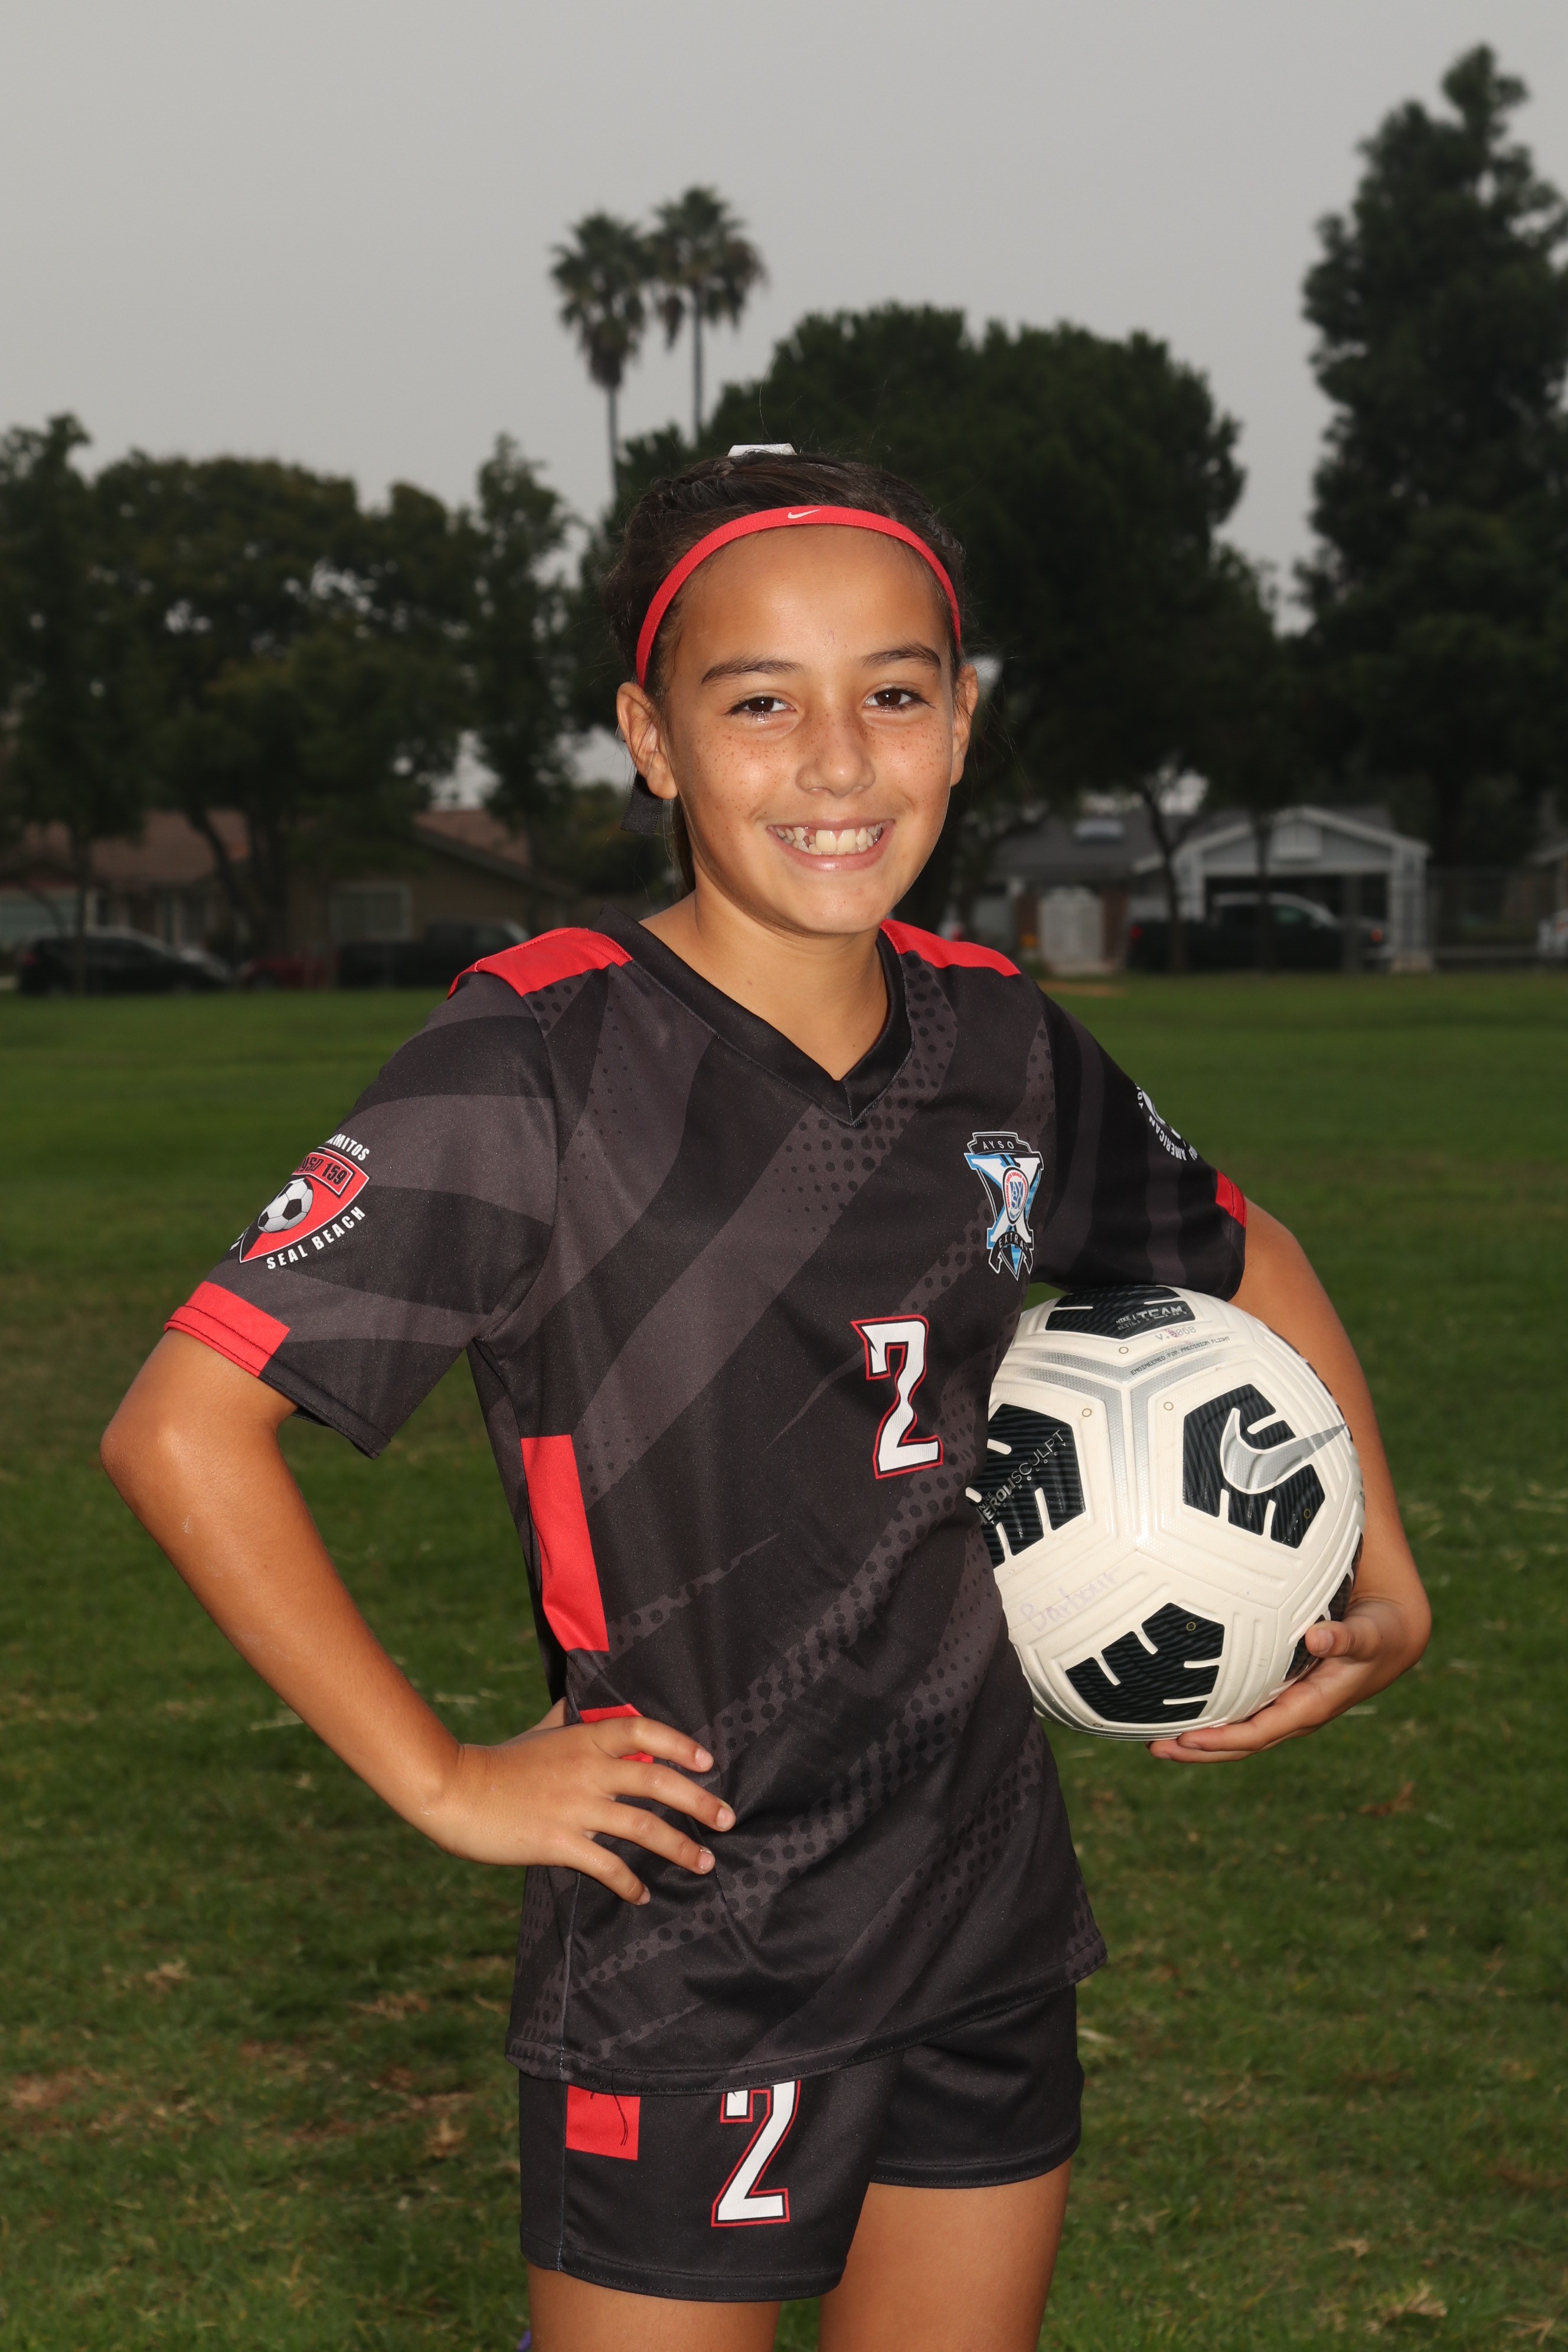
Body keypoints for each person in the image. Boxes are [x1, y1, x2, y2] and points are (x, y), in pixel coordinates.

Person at [101, 448, 1430, 2352]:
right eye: (758, 704)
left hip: (982, 1913)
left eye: (893, 693)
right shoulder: (534, 1063)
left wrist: (1385, 1569)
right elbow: (181, 1426)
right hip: (695, 1946)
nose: (837, 763)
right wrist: (448, 1781)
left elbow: (1244, 1249)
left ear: (961, 723)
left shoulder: (1000, 1040)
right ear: (652, 739)